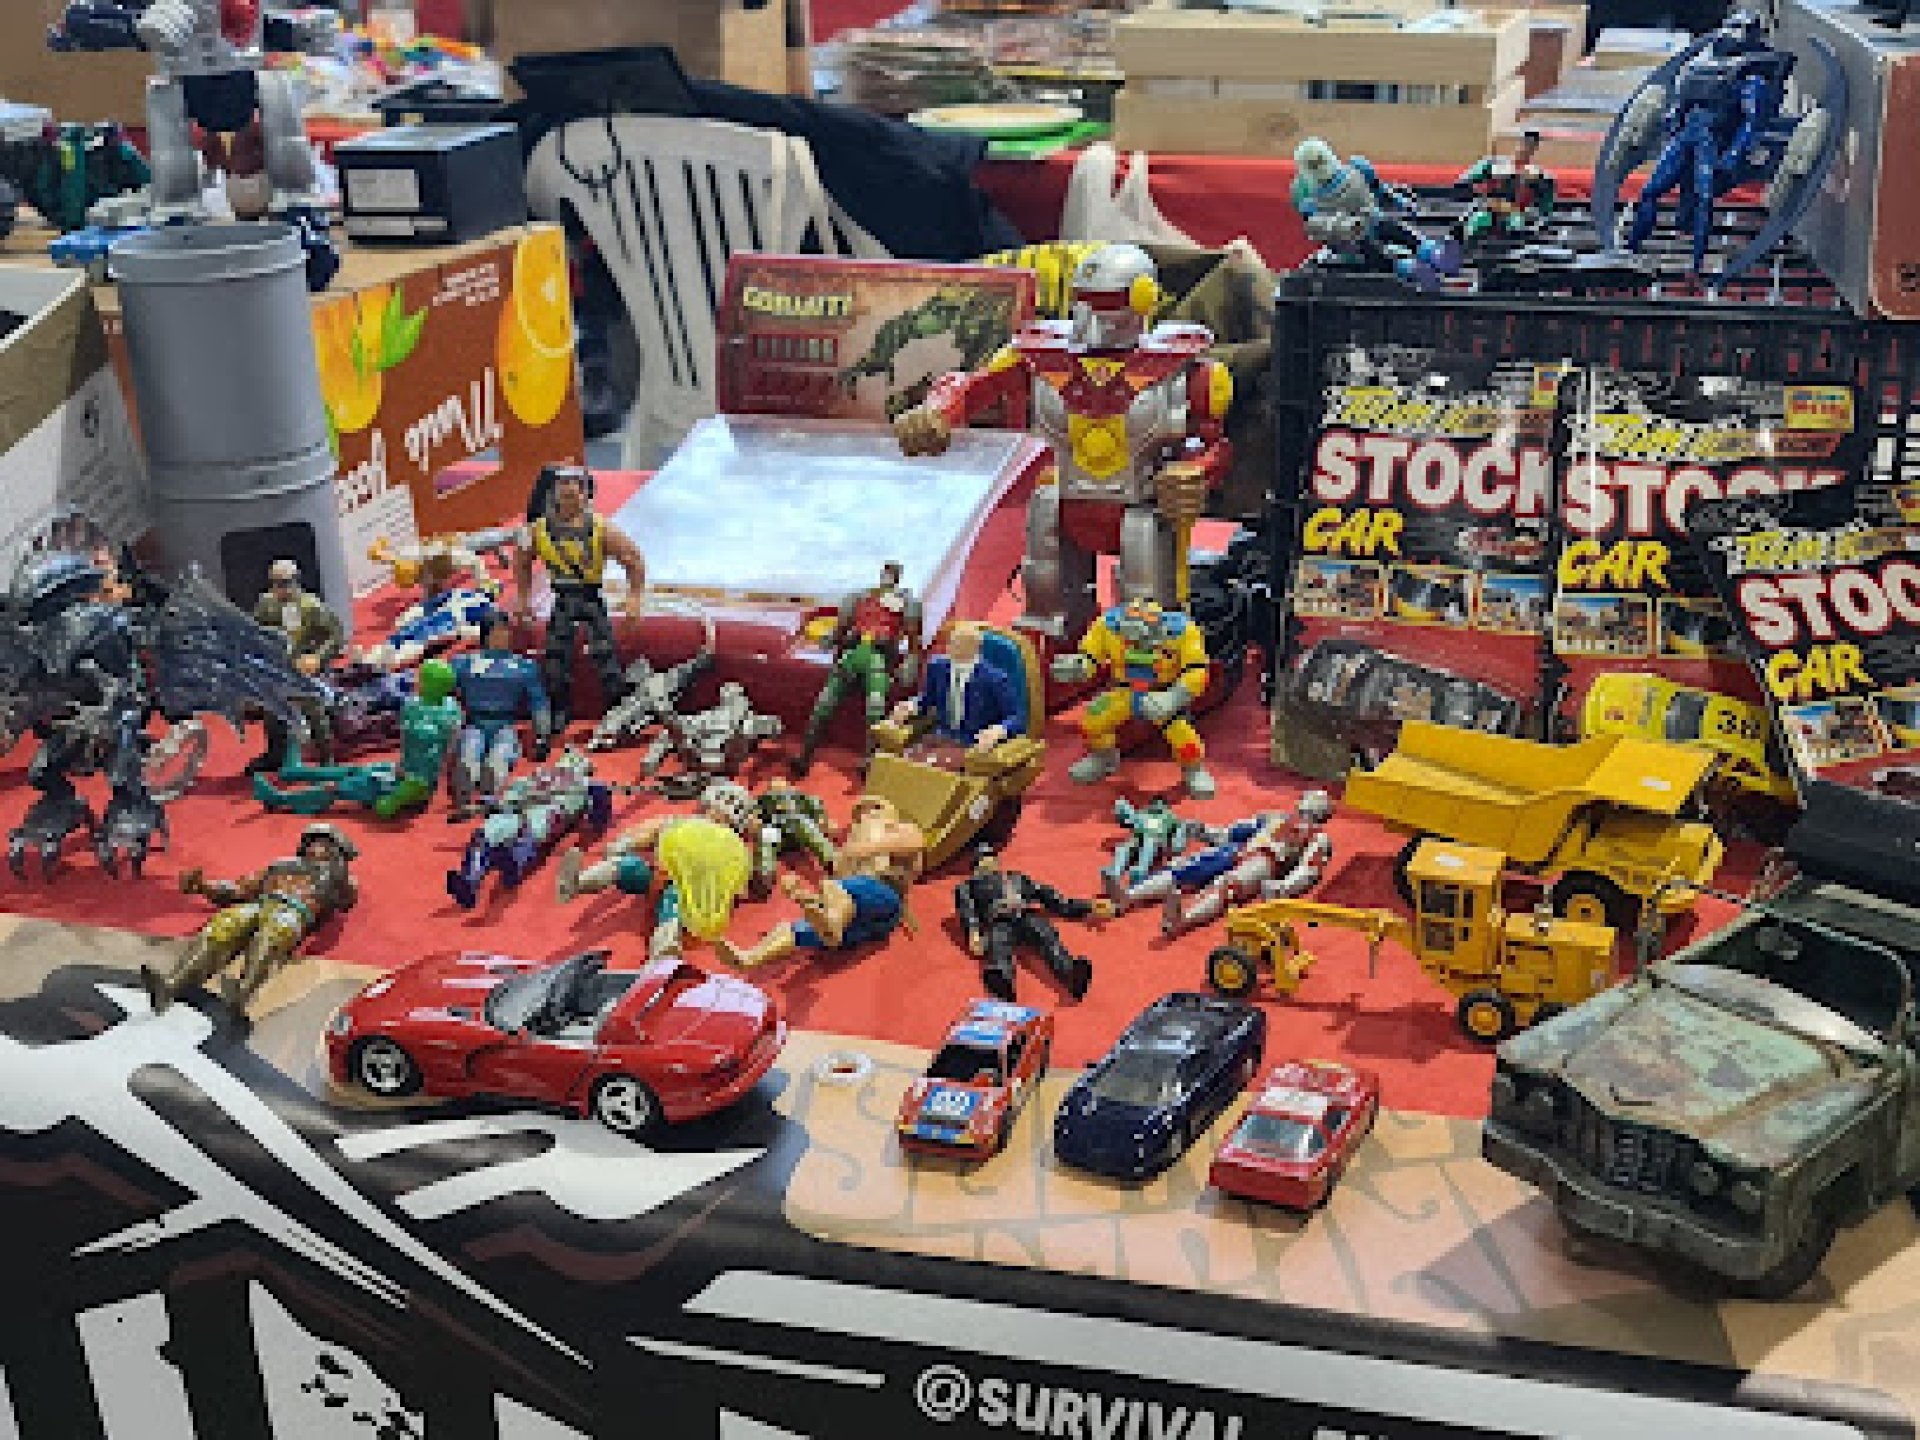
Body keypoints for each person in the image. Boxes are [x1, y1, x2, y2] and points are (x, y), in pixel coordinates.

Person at [141, 823, 358, 1013]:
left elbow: (346, 900)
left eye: (325, 844)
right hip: (261, 904)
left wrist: (338, 872)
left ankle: (243, 992)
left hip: (294, 911)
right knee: (223, 925)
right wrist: (203, 886)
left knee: (272, 933)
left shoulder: (337, 881)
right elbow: (238, 889)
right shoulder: (280, 867)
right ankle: (171, 985)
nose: (317, 848)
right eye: (314, 842)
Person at [714, 795, 925, 969]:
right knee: (792, 928)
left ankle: (833, 924)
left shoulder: (902, 831)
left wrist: (863, 846)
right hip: (863, 919)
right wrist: (800, 894)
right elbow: (841, 889)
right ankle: (750, 958)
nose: (865, 817)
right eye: (860, 815)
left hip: (884, 897)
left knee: (830, 888)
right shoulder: (852, 850)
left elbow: (912, 844)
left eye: (873, 810)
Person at [512, 463, 647, 728]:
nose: (570, 491)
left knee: (605, 656)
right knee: (555, 659)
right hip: (562, 598)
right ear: (552, 492)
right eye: (563, 485)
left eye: (576, 485)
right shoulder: (537, 530)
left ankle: (617, 709)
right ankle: (559, 710)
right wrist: (524, 597)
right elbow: (522, 561)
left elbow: (632, 559)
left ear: (586, 494)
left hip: (591, 597)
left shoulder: (601, 529)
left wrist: (634, 597)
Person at [795, 561, 923, 775]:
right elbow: (841, 628)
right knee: (824, 705)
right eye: (886, 572)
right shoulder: (859, 597)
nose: (888, 577)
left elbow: (913, 640)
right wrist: (828, 640)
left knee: (875, 710)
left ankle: (869, 763)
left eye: (893, 574)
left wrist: (910, 662)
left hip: (878, 660)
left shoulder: (907, 602)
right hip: (852, 657)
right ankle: (805, 755)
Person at [953, 848, 1112, 1002]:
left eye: (991, 857)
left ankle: (1070, 973)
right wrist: (973, 932)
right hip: (999, 920)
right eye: (983, 859)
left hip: (1026, 914)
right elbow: (967, 909)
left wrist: (1087, 906)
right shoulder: (968, 887)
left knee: (1047, 938)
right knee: (998, 944)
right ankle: (1002, 980)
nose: (989, 861)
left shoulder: (1017, 878)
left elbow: (1053, 899)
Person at [449, 609, 552, 819]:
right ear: (486, 634)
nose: (503, 636)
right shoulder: (464, 663)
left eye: (506, 631)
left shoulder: (523, 666)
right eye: (497, 631)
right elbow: (446, 694)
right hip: (474, 722)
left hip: (505, 723)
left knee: (502, 751)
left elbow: (538, 701)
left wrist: (542, 734)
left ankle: (490, 787)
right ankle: (464, 789)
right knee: (470, 748)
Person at [248, 557, 344, 773]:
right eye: (276, 583)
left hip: (304, 667)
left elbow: (335, 636)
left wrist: (318, 657)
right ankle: (276, 754)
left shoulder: (311, 607)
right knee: (272, 713)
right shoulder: (266, 605)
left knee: (315, 713)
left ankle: (326, 757)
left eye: (285, 583)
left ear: (296, 581)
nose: (281, 589)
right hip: (278, 667)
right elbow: (255, 632)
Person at [886, 620, 1020, 753]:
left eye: (957, 643)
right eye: (950, 642)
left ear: (974, 648)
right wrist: (911, 706)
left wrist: (999, 730)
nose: (949, 647)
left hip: (975, 745)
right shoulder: (937, 667)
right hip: (940, 737)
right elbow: (927, 699)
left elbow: (1015, 718)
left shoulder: (995, 679)